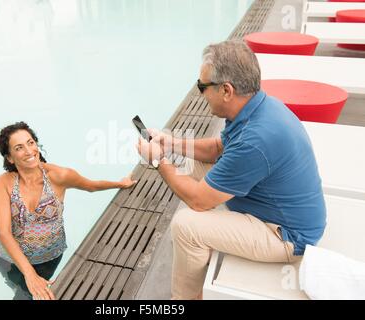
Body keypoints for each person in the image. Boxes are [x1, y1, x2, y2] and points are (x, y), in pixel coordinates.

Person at [136, 40, 326, 300]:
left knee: (186, 225)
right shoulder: (254, 107)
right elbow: (217, 148)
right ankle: (203, 250)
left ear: (226, 90)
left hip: (285, 235)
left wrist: (158, 161)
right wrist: (170, 144)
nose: (200, 93)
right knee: (190, 165)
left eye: (202, 86)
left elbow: (198, 201)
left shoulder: (255, 139)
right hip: (272, 205)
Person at [0, 121, 136, 300]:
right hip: (8, 259)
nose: (29, 151)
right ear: (10, 157)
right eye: (19, 147)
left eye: (31, 143)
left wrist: (119, 183)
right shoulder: (4, 182)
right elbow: (4, 233)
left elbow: (90, 186)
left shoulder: (59, 176)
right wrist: (29, 274)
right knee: (21, 291)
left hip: (47, 259)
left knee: (30, 295)